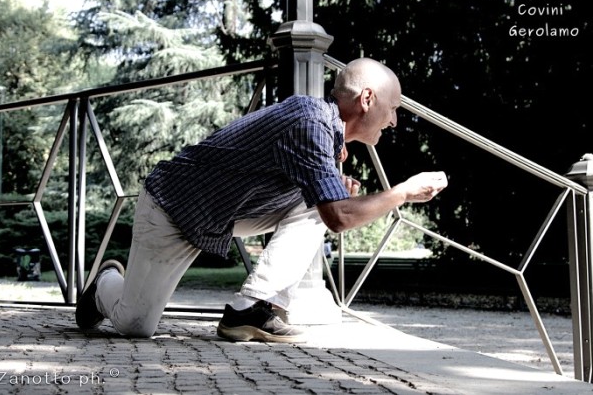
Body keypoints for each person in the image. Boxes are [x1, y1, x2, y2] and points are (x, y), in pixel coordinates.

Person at [75, 57, 448, 342]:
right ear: (367, 98)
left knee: (322, 202)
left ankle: (253, 307)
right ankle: (105, 283)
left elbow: (323, 207)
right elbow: (338, 217)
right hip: (173, 208)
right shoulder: (310, 122)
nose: (394, 120)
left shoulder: (324, 132)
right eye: (394, 107)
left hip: (221, 214)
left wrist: (335, 188)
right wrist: (402, 192)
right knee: (134, 326)